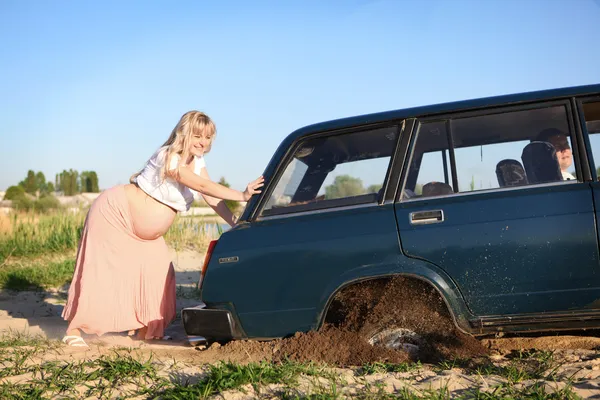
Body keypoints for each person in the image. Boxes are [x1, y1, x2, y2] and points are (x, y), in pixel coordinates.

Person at [61, 111, 264, 347]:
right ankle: (73, 331)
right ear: (184, 133)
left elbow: (209, 195)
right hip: (114, 214)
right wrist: (241, 195)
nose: (203, 142)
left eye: (208, 137)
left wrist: (235, 223)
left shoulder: (197, 162)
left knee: (159, 273)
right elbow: (200, 184)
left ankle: (147, 330)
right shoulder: (168, 156)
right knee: (102, 272)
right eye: (197, 135)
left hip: (143, 234)